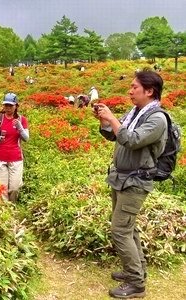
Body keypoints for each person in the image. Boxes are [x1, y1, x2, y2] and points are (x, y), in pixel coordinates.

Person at [94, 70, 168, 299]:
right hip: (122, 178)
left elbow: (132, 139)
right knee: (129, 228)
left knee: (119, 230)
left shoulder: (157, 118)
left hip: (136, 181)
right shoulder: (137, 111)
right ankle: (136, 271)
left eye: (134, 87)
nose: (130, 90)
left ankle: (136, 285)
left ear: (149, 91)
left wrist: (114, 119)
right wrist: (106, 121)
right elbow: (117, 136)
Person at [0, 92, 29, 201]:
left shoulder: (22, 120)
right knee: (1, 190)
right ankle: (5, 212)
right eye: (6, 105)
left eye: (10, 105)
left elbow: (26, 138)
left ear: (16, 106)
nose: (8, 108)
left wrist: (20, 128)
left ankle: (13, 205)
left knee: (15, 188)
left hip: (16, 158)